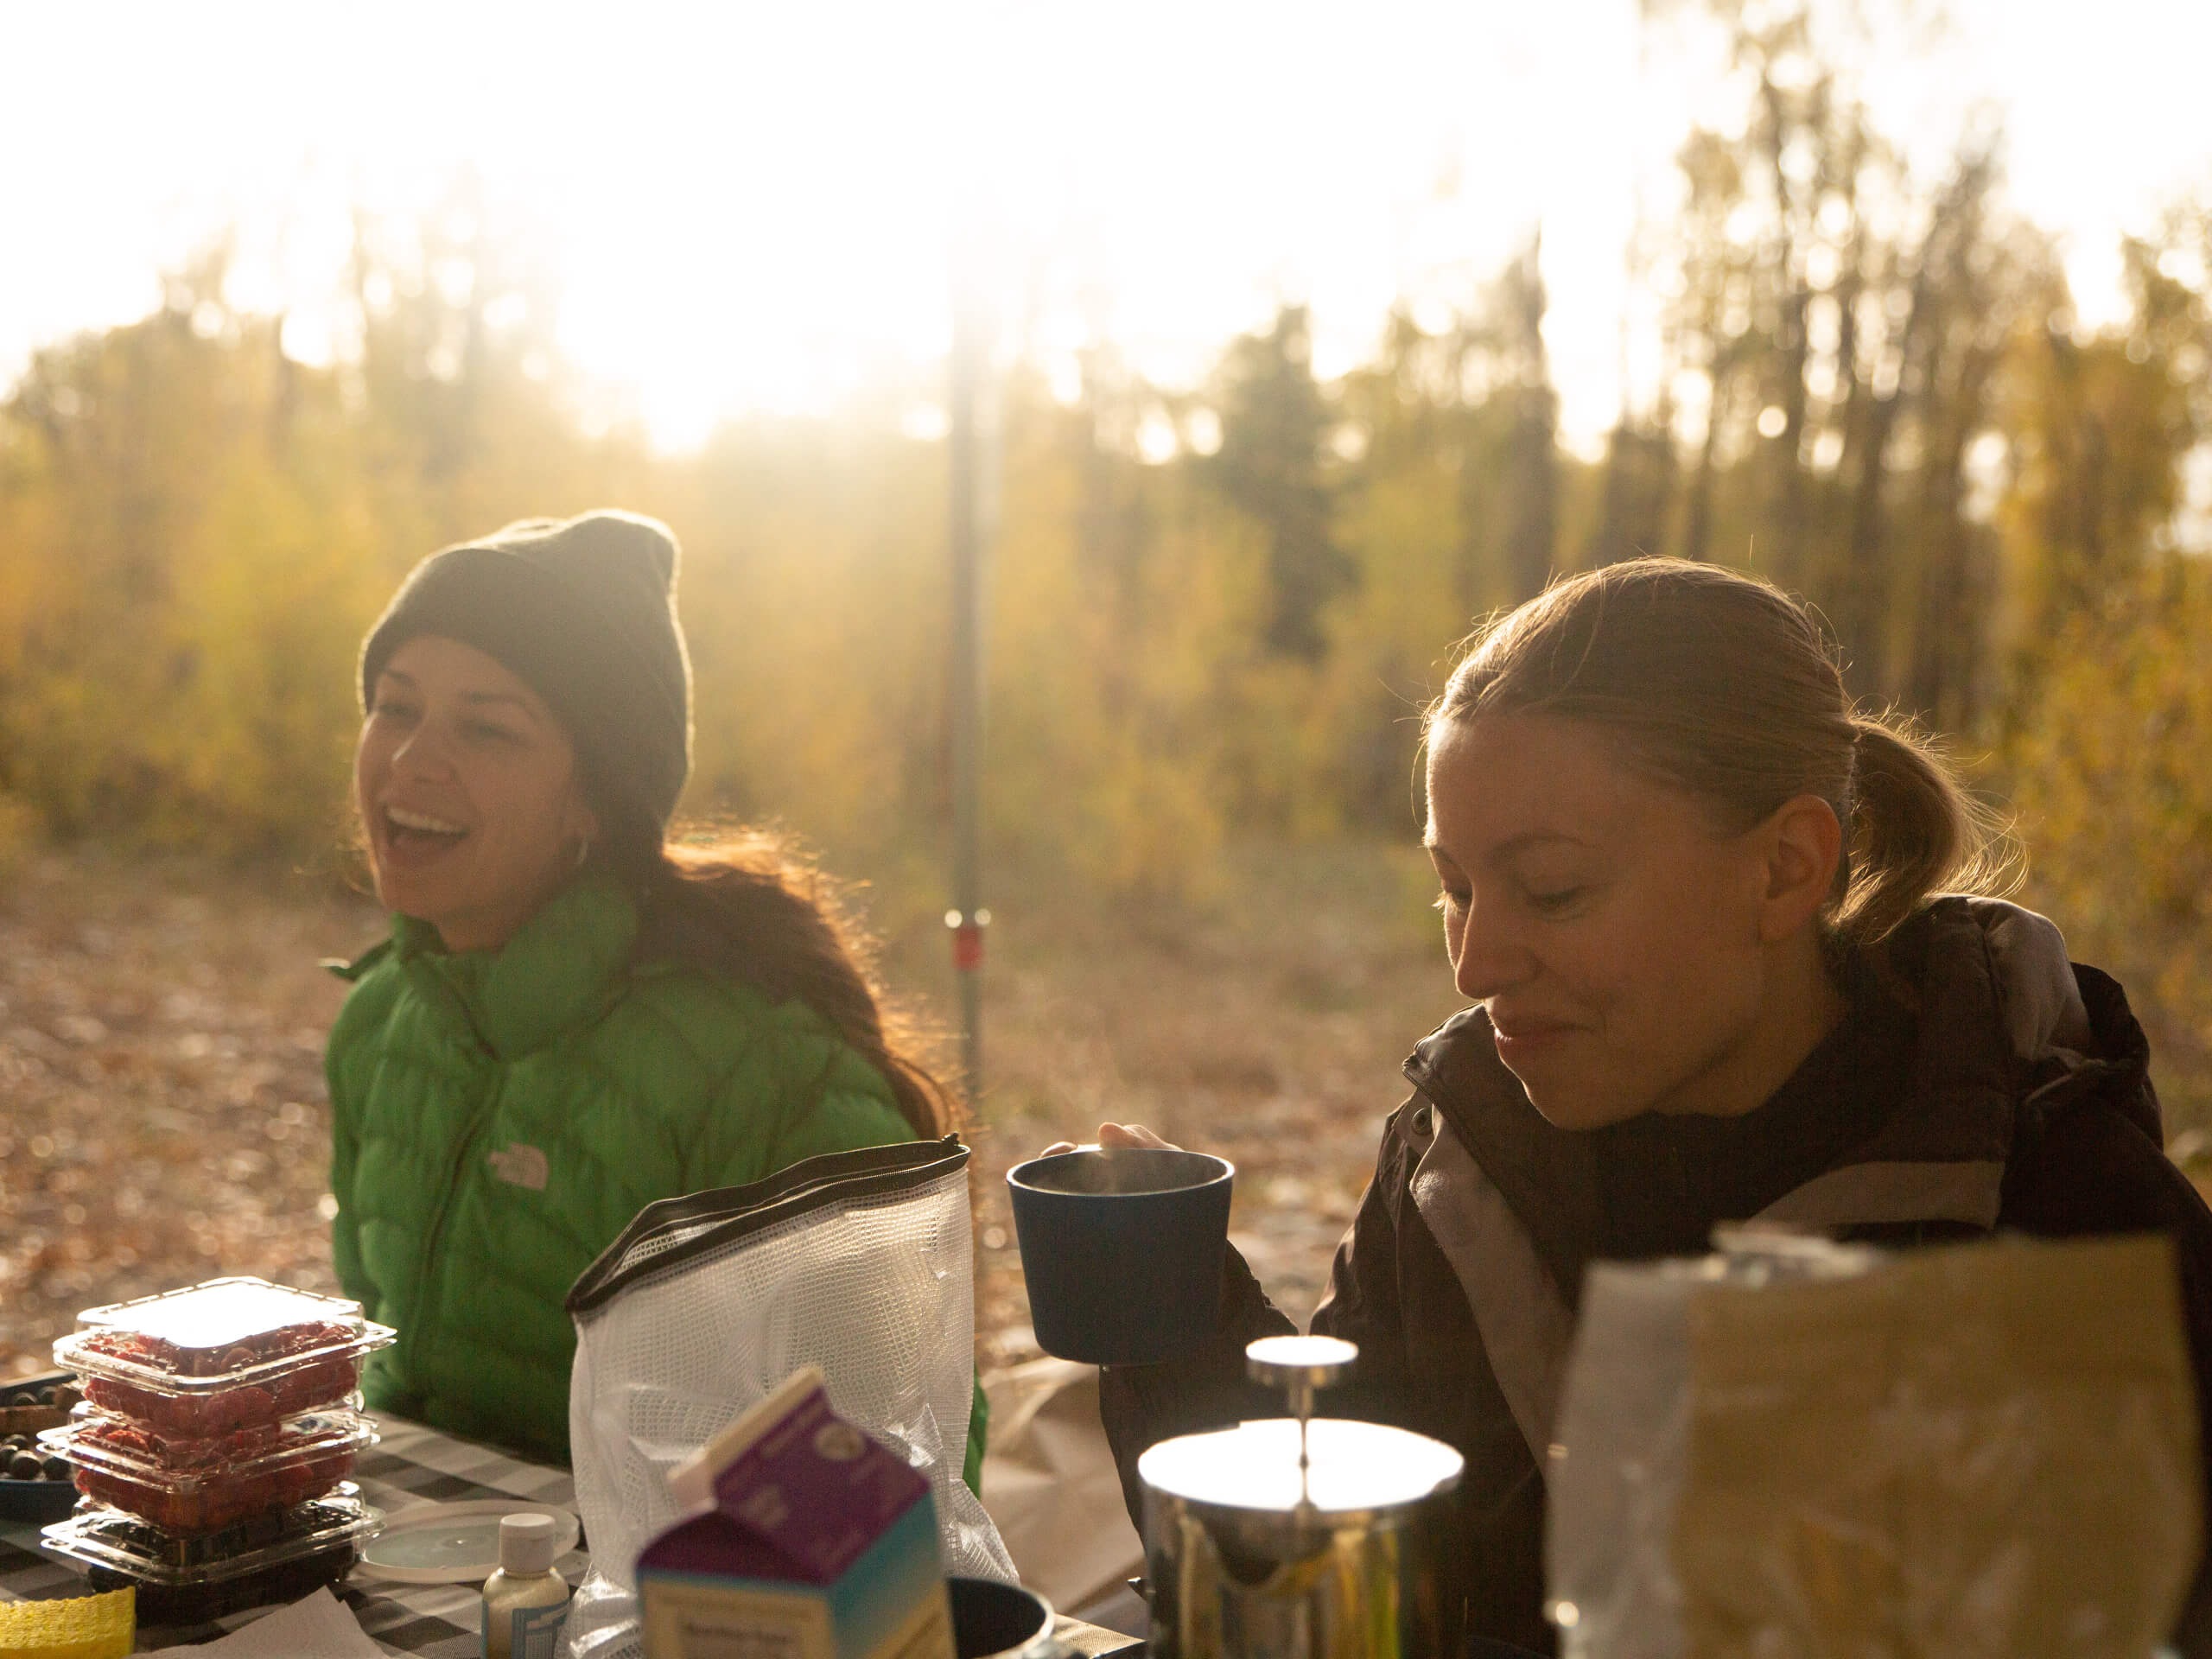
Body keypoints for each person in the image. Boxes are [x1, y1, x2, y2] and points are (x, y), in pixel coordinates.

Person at [1082, 558, 2212, 1653]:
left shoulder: (2054, 1209)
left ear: (1782, 870)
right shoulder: (1461, 1158)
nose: (1475, 966)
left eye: (1552, 889)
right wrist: (1179, 1326)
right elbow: (1342, 1529)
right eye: (1455, 890)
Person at [325, 509, 986, 1480]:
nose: (415, 757)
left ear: (595, 802)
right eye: (395, 705)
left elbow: (909, 1473)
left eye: (487, 727)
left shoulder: (759, 1074)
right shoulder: (379, 1020)